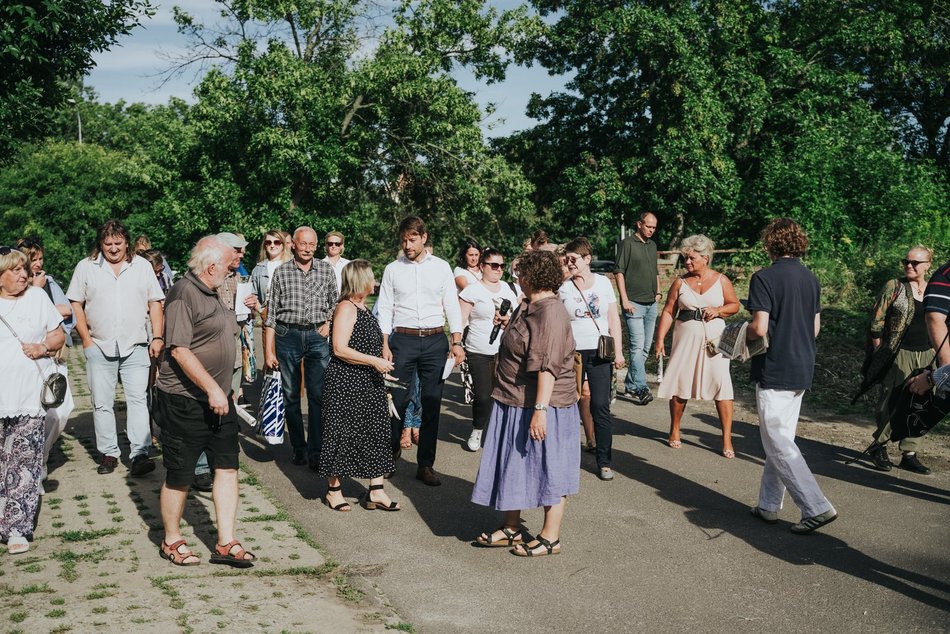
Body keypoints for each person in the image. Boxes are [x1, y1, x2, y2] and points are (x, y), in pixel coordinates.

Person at [471, 249, 580, 557]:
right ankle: (512, 527)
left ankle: (550, 536)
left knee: (550, 468)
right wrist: (509, 325)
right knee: (514, 465)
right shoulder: (529, 305)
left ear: (534, 276)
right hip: (514, 400)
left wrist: (540, 412)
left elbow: (547, 366)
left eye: (520, 272)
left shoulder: (551, 313)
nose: (515, 277)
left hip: (543, 405)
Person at [155, 236, 255, 567]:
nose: (233, 267)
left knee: (227, 467)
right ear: (211, 266)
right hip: (186, 400)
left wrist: (223, 388)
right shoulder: (183, 294)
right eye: (229, 264)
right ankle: (171, 540)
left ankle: (225, 542)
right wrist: (212, 388)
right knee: (181, 473)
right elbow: (180, 349)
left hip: (219, 398)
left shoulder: (213, 292)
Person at [747, 218, 837, 535]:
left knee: (777, 442)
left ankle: (815, 506)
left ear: (770, 243)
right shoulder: (811, 279)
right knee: (781, 438)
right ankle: (769, 505)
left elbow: (758, 327)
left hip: (775, 365)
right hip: (803, 364)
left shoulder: (764, 278)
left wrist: (735, 334)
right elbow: (815, 329)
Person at [66, 220, 165, 476]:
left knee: (138, 400)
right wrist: (86, 340)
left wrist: (157, 337)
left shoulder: (141, 266)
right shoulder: (86, 267)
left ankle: (140, 453)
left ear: (127, 242)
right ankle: (109, 453)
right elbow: (76, 303)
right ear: (100, 243)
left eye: (118, 243)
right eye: (107, 243)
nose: (113, 248)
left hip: (136, 344)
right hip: (99, 344)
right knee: (101, 403)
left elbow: (156, 302)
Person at [376, 216, 465, 486]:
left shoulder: (441, 267)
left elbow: (451, 304)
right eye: (403, 240)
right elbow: (385, 307)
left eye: (412, 239)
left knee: (431, 403)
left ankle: (426, 464)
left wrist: (457, 340)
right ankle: (390, 456)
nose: (407, 244)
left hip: (435, 341)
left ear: (424, 237)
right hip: (402, 341)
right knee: (396, 403)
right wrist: (384, 344)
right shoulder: (392, 269)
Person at [319, 260, 399, 512]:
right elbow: (339, 348)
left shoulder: (363, 308)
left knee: (376, 432)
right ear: (360, 279)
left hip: (368, 381)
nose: (374, 281)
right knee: (341, 433)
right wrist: (374, 361)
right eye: (371, 277)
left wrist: (381, 358)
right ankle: (334, 491)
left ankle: (376, 490)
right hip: (346, 381)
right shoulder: (346, 307)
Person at [0, 247, 65, 554]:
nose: (23, 274)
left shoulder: (38, 299)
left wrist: (43, 348)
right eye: (14, 270)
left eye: (24, 269)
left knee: (24, 464)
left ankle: (16, 528)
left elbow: (58, 336)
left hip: (28, 397)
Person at [654, 235, 739, 458]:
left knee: (722, 384)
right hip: (685, 337)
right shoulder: (680, 283)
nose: (687, 263)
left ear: (705, 258)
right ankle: (674, 429)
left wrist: (719, 311)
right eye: (685, 258)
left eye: (691, 258)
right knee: (681, 383)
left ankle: (727, 438)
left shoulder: (722, 280)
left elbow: (735, 305)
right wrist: (660, 339)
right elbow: (669, 311)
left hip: (716, 340)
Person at [263, 227, 337, 468]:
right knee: (291, 395)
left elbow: (334, 303)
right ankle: (299, 447)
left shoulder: (326, 270)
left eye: (312, 244)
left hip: (317, 336)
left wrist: (329, 322)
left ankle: (316, 451)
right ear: (292, 244)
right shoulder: (282, 272)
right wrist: (268, 351)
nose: (307, 248)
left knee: (318, 396)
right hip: (288, 335)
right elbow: (271, 314)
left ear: (317, 246)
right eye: (303, 244)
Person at [862, 246, 935, 473]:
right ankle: (879, 446)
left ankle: (910, 453)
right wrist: (879, 350)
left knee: (921, 402)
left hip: (927, 353)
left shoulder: (935, 290)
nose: (909, 266)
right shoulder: (895, 286)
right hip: (897, 351)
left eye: (915, 262)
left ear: (927, 265)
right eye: (906, 261)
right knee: (891, 400)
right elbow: (876, 320)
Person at [558, 237, 625, 481]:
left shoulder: (603, 283)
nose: (569, 263)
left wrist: (618, 351)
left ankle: (604, 461)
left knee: (600, 406)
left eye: (573, 259)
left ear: (587, 259)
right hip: (571, 354)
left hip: (599, 352)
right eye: (567, 259)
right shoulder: (563, 287)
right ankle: (564, 457)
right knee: (566, 405)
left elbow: (613, 319)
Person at [459, 248, 519, 451]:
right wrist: (456, 344)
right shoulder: (472, 291)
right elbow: (461, 319)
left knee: (503, 394)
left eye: (502, 265)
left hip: (506, 351)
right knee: (483, 395)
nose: (499, 269)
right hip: (478, 350)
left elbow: (518, 318)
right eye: (494, 265)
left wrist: (507, 321)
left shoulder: (507, 289)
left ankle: (498, 433)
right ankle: (477, 429)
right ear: (482, 267)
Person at [614, 212, 661, 405]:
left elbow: (655, 271)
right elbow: (619, 272)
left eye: (654, 227)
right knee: (636, 346)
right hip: (633, 303)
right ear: (639, 224)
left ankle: (631, 384)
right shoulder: (627, 244)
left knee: (644, 349)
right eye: (649, 226)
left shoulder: (652, 246)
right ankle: (641, 388)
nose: (651, 230)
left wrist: (658, 292)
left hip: (651, 303)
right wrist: (624, 300)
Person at [248, 229, 293, 321]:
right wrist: (261, 310)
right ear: (265, 245)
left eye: (276, 242)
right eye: (268, 242)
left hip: (290, 316)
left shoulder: (293, 265)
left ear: (283, 244)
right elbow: (252, 294)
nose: (272, 245)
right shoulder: (258, 269)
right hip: (268, 315)